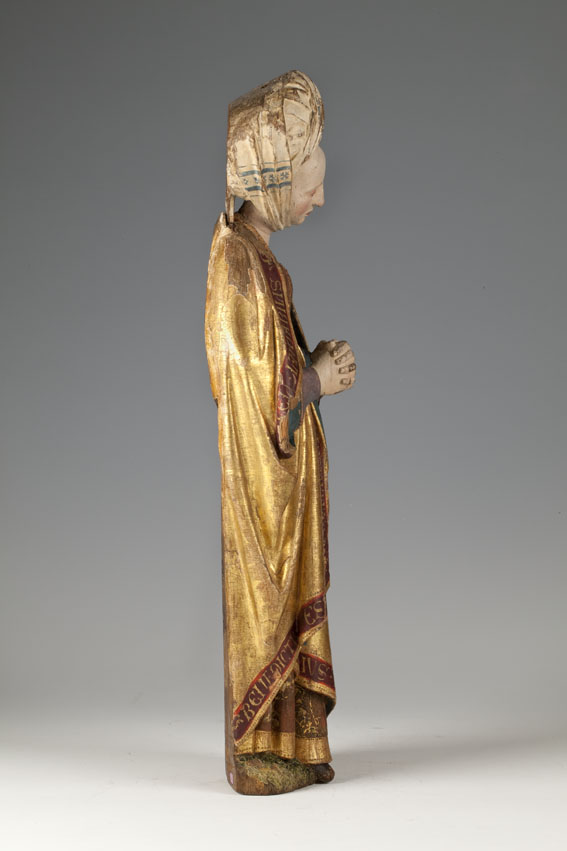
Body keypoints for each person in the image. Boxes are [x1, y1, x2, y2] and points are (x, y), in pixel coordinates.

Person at [204, 70, 356, 795]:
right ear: (270, 178)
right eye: (309, 186)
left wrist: (310, 369)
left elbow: (271, 374)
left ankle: (289, 746)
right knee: (267, 608)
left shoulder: (256, 257)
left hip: (286, 493)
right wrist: (320, 378)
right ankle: (260, 747)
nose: (319, 199)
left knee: (284, 609)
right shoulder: (239, 268)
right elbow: (257, 403)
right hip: (266, 503)